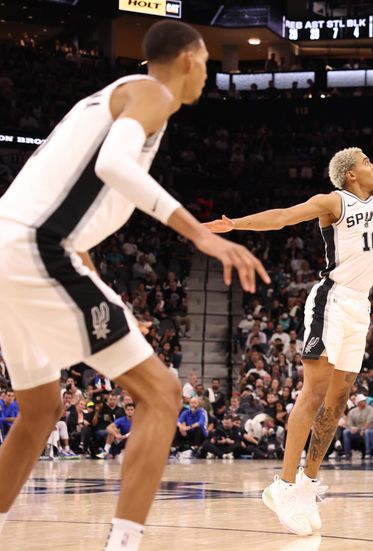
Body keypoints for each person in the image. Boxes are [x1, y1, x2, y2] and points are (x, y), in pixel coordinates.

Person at [0, 20, 267, 551]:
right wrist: (201, 237)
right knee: (163, 394)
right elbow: (113, 164)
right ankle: (124, 545)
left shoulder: (104, 99)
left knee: (40, 409)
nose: (205, 76)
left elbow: (74, 216)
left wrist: (108, 293)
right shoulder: (152, 93)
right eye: (208, 65)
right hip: (33, 251)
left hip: (15, 248)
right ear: (191, 58)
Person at [205, 67, 373, 535]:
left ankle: (307, 481)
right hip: (331, 299)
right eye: (368, 161)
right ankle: (282, 485)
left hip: (360, 306)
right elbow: (284, 216)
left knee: (339, 399)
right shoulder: (334, 202)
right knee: (314, 391)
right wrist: (235, 224)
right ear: (351, 173)